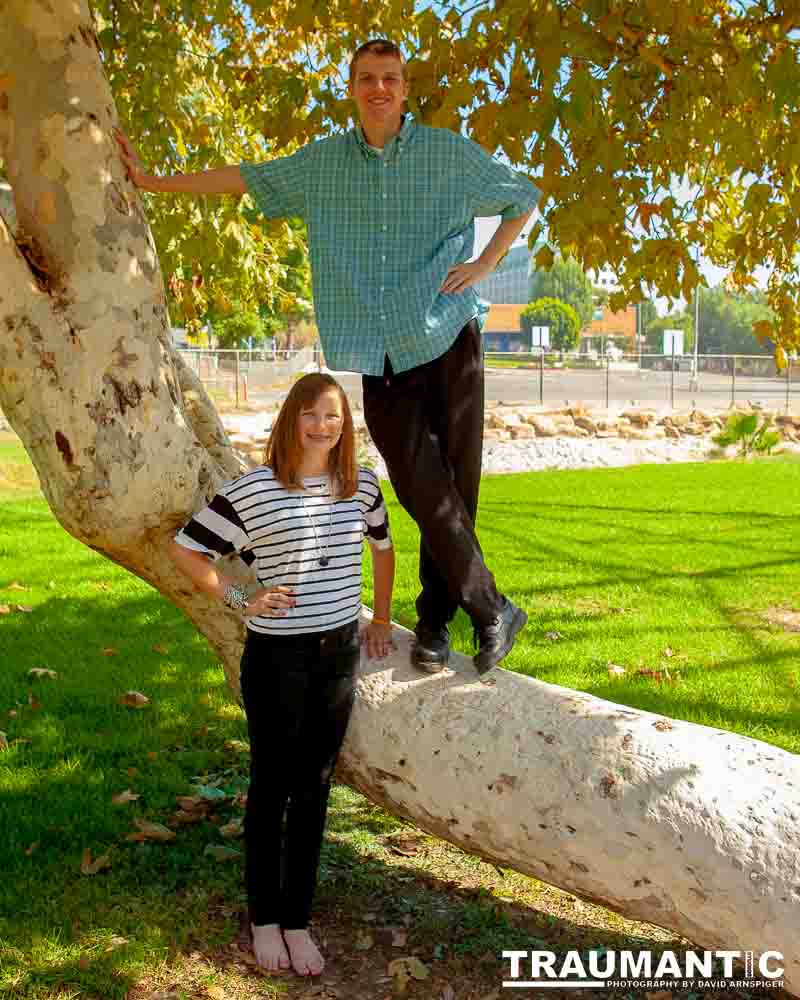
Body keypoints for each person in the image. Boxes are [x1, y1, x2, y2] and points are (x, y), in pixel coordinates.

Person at [117, 37, 539, 677]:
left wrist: (485, 262)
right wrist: (154, 181)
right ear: (353, 87)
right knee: (419, 485)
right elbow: (245, 178)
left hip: (450, 335)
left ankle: (434, 623)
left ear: (404, 88)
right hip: (380, 351)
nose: (378, 88)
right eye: (367, 78)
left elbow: (522, 195)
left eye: (390, 78)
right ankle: (491, 607)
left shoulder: (447, 155)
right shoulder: (321, 166)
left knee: (457, 489)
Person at [167, 373, 395, 976]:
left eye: (335, 419)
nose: (323, 427)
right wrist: (242, 600)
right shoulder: (253, 492)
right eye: (312, 415)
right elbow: (185, 549)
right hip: (277, 660)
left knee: (316, 786)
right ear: (292, 418)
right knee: (272, 788)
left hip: (339, 654)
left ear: (346, 428)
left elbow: (383, 546)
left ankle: (298, 921)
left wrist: (383, 618)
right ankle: (264, 919)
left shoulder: (362, 486)